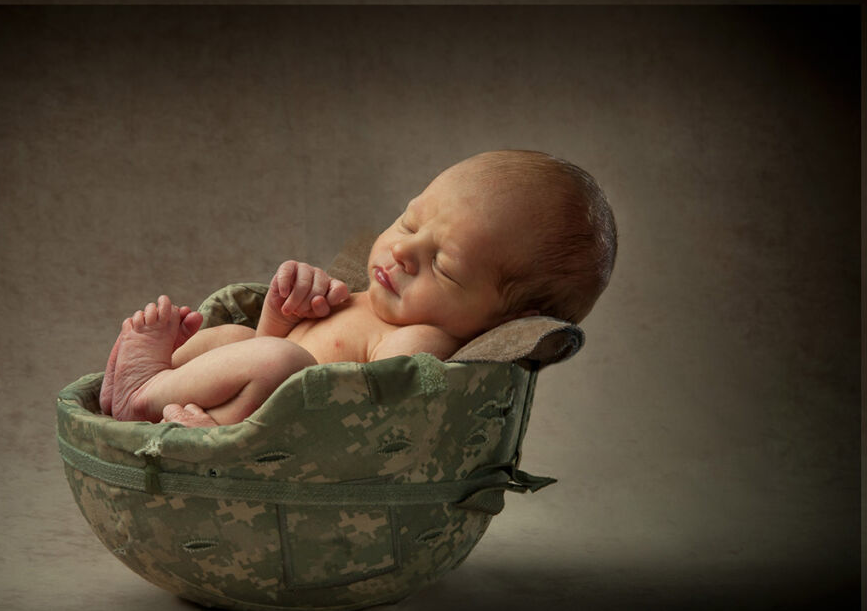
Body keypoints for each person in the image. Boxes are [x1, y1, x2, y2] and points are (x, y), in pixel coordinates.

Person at [99, 150, 617, 427]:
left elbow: (354, 409)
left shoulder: (422, 342)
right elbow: (268, 347)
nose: (399, 252)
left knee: (281, 363)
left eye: (443, 265)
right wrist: (283, 312)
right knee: (237, 337)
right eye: (410, 223)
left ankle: (147, 396)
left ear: (504, 321)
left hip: (264, 437)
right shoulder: (369, 299)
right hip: (240, 393)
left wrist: (280, 345)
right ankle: (157, 379)